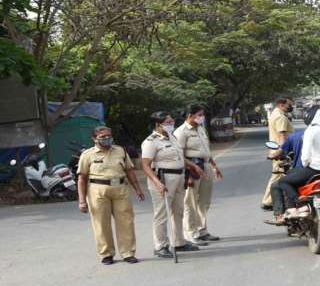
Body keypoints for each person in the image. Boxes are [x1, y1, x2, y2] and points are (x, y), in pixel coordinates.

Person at [77, 126, 145, 265]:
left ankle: (128, 253)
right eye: (102, 137)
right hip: (98, 190)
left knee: (126, 221)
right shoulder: (87, 155)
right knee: (101, 223)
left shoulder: (120, 151)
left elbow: (129, 171)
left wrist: (138, 189)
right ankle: (106, 254)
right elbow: (82, 178)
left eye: (109, 136)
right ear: (94, 139)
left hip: (120, 188)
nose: (107, 139)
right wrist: (82, 200)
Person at [141, 112, 202, 259]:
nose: (171, 124)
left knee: (178, 211)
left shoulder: (172, 137)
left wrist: (193, 165)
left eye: (172, 122)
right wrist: (157, 183)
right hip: (163, 179)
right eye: (168, 122)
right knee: (162, 214)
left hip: (179, 176)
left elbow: (180, 156)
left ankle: (179, 241)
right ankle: (160, 246)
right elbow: (145, 165)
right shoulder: (151, 141)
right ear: (158, 124)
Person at [268, 105, 320, 225]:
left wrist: (306, 164)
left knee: (283, 182)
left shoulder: (311, 130)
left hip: (315, 169)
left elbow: (305, 156)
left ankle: (298, 203)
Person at [173, 104, 222, 246]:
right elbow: (179, 155)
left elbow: (206, 150)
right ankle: (191, 234)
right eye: (199, 115)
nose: (202, 117)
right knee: (190, 203)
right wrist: (187, 175)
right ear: (190, 116)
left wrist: (214, 165)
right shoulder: (181, 132)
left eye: (202, 115)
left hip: (205, 166)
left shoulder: (201, 128)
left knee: (204, 202)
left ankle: (202, 231)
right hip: (192, 169)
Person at [261, 97, 295, 211]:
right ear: (281, 104)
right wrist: (283, 152)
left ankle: (270, 201)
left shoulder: (275, 114)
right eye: (288, 105)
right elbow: (282, 136)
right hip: (280, 151)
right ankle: (267, 202)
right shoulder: (280, 117)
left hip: (276, 149)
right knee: (277, 175)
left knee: (278, 175)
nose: (290, 107)